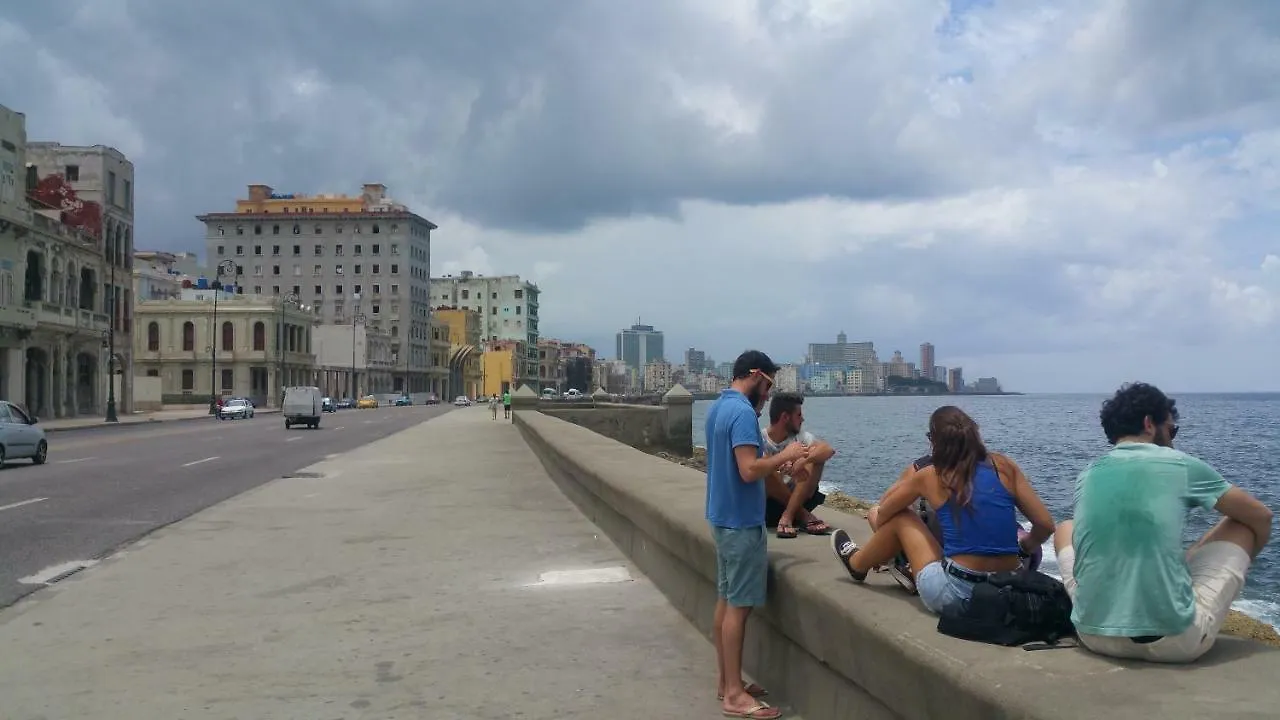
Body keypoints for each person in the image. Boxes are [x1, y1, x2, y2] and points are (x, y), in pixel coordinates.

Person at [1055, 382, 1273, 663]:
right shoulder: (1180, 464)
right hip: (1174, 642)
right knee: (1243, 524)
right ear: (1149, 424)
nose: (1173, 440)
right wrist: (1243, 562)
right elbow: (1262, 516)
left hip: (1093, 636)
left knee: (1065, 528)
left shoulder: (1088, 473)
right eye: (1172, 430)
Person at [830, 406, 1055, 618]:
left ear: (934, 442)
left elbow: (885, 512)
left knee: (902, 517)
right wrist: (1023, 547)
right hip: (1008, 592)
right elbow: (1045, 525)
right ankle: (887, 564)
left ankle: (857, 564)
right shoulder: (1004, 466)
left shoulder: (931, 474)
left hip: (957, 595)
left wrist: (889, 549)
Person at [706, 350, 805, 719]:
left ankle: (725, 682)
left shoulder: (718, 407)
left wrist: (778, 459)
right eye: (768, 385)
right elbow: (749, 471)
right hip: (741, 523)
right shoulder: (743, 414)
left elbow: (738, 463)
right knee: (738, 609)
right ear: (755, 374)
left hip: (720, 517)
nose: (768, 394)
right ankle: (734, 694)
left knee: (724, 600)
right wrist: (786, 455)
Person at [760, 392, 835, 538]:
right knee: (763, 466)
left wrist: (803, 460)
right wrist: (779, 463)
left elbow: (828, 449)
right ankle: (803, 515)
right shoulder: (760, 438)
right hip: (768, 506)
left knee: (813, 456)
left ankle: (788, 515)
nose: (802, 419)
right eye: (799, 415)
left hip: (797, 503)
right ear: (785, 417)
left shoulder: (800, 436)